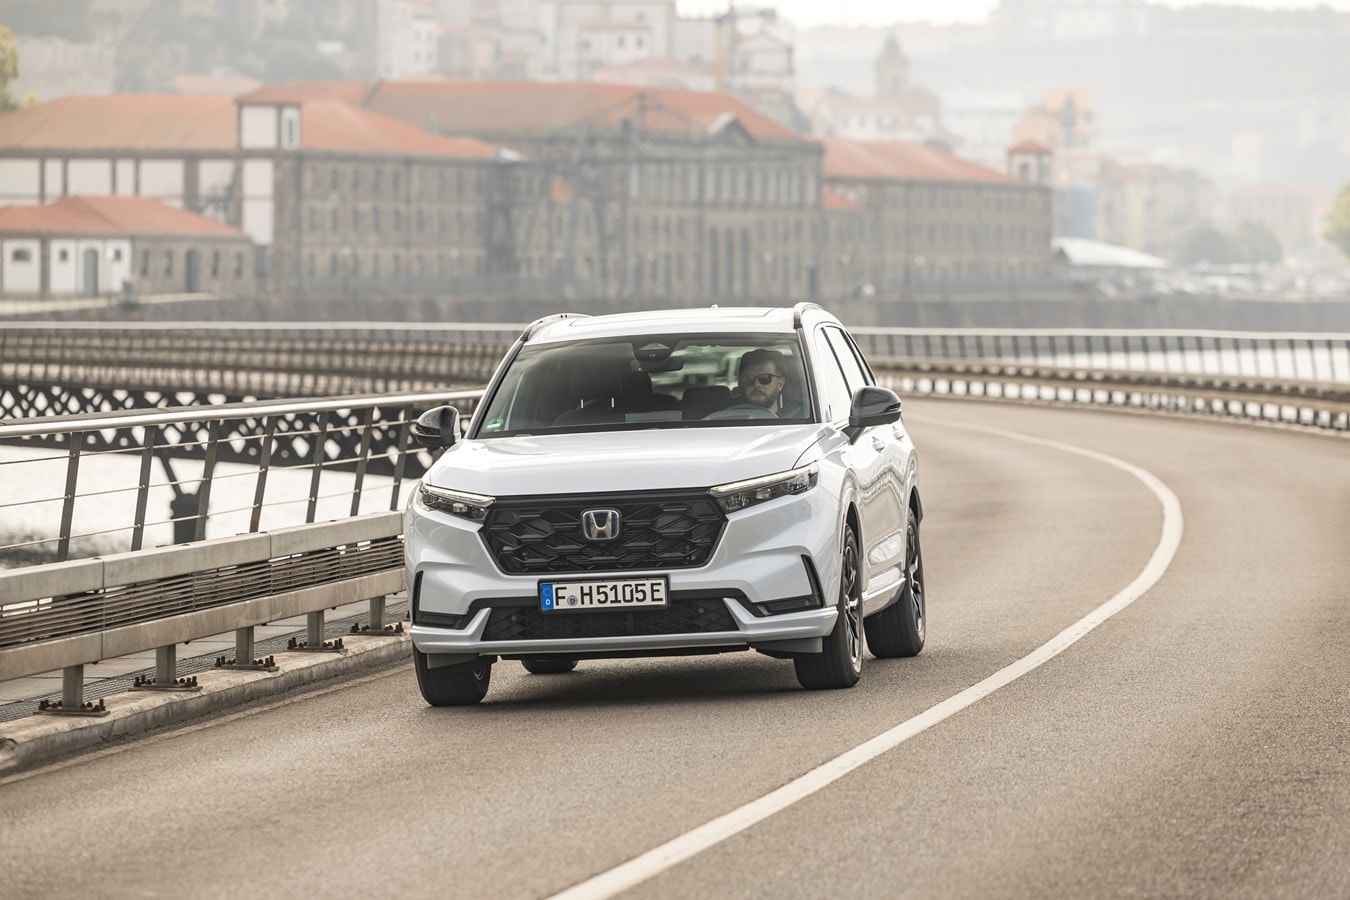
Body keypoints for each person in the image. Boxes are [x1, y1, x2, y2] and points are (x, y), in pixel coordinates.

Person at [735, 348, 788, 414]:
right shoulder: (726, 420)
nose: (756, 385)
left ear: (780, 384)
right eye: (749, 379)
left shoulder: (793, 420)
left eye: (765, 378)